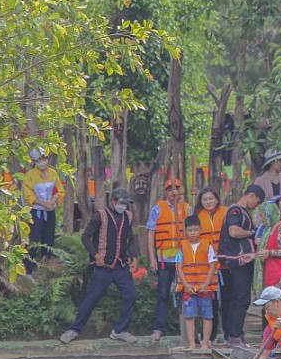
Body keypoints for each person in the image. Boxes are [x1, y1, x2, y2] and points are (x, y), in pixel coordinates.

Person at [59, 188, 139, 344]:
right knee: (92, 298)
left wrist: (134, 256)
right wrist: (95, 255)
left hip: (121, 265)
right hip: (104, 266)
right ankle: (74, 330)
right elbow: (85, 237)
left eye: (126, 204)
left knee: (130, 295)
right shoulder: (100, 215)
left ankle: (119, 330)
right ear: (113, 201)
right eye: (122, 203)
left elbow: (131, 239)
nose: (124, 206)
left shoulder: (128, 217)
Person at [145, 177, 192, 342]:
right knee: (163, 293)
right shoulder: (158, 208)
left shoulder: (187, 208)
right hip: (164, 258)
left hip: (182, 259)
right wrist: (152, 258)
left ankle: (188, 330)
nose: (174, 192)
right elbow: (151, 232)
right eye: (170, 189)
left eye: (176, 188)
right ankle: (159, 328)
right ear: (166, 192)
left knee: (186, 293)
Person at [218, 184, 265, 347]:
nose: (256, 206)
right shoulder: (236, 211)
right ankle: (235, 335)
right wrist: (252, 232)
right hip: (238, 260)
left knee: (236, 298)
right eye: (257, 202)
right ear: (251, 196)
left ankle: (233, 334)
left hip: (243, 260)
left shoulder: (245, 213)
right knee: (241, 298)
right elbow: (233, 231)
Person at [176, 215, 217, 349]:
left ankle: (205, 342)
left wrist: (206, 284)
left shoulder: (207, 244)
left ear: (200, 230)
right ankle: (192, 343)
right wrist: (185, 285)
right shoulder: (182, 246)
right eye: (190, 230)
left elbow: (212, 265)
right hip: (189, 287)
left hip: (205, 287)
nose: (193, 233)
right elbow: (179, 267)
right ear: (185, 231)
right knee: (189, 316)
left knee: (207, 315)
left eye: (195, 230)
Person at [22, 147, 63, 276]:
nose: (43, 161)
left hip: (50, 211)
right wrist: (43, 203)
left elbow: (60, 191)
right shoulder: (29, 176)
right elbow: (29, 196)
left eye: (44, 158)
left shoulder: (53, 173)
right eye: (40, 159)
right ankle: (27, 272)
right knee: (32, 242)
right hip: (36, 212)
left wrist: (54, 200)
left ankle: (46, 271)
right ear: (34, 160)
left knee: (48, 241)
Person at [196, 188, 227, 344]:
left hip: (225, 263)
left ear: (216, 199)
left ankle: (230, 335)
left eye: (211, 198)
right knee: (210, 302)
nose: (208, 202)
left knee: (226, 300)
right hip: (206, 265)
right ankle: (208, 337)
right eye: (204, 199)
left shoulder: (226, 213)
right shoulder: (197, 217)